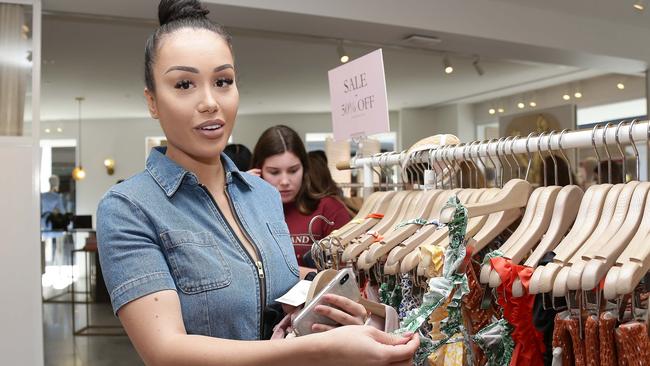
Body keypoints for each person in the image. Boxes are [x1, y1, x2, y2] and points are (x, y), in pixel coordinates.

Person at [96, 1, 418, 365]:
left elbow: (273, 296)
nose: (209, 102)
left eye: (223, 81)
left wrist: (327, 316)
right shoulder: (129, 208)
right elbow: (166, 352)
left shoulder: (262, 195)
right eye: (184, 84)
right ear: (152, 101)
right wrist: (324, 349)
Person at [249, 126, 352, 268]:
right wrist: (240, 196)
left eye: (293, 170)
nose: (285, 181)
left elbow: (343, 274)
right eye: (274, 172)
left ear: (304, 168)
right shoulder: (246, 210)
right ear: (258, 171)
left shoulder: (329, 209)